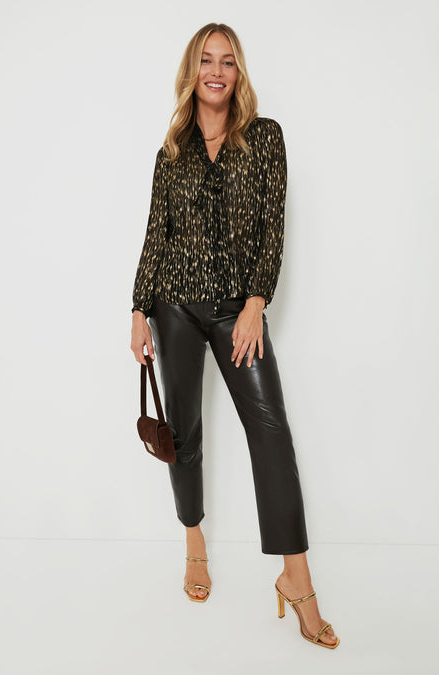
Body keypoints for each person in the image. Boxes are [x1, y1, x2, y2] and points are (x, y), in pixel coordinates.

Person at [130, 23, 339, 648]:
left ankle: (297, 579)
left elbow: (273, 224)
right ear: (191, 72)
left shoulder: (264, 137)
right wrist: (139, 309)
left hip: (235, 311)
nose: (216, 71)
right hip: (173, 305)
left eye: (226, 61)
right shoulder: (172, 151)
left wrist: (255, 302)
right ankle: (194, 541)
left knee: (270, 431)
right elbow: (156, 233)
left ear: (237, 72)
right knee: (184, 433)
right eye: (206, 60)